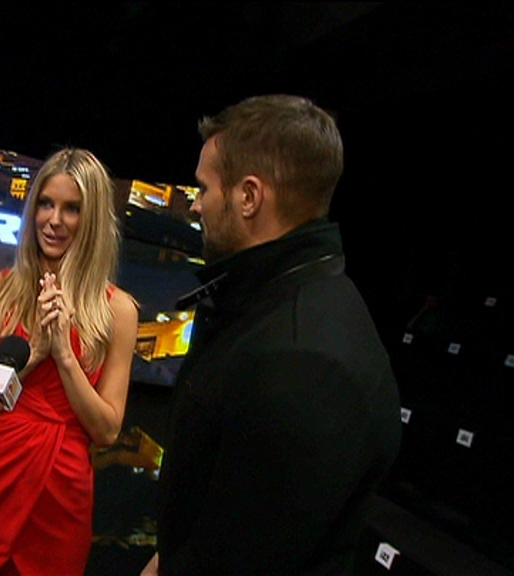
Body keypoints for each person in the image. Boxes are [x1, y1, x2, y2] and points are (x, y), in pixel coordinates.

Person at [142, 95, 402, 575]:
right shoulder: (269, 301)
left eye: (204, 188)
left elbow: (242, 555)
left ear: (249, 197)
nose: (196, 204)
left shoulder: (304, 363)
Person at [0, 148, 140, 575]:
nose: (54, 220)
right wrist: (32, 354)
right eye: (46, 204)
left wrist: (65, 355)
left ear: (93, 220)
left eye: (72, 209)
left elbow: (107, 429)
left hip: (62, 492)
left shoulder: (118, 312)